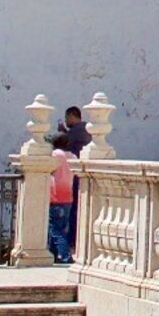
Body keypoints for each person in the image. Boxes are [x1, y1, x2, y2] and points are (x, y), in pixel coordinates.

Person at [48, 101, 91, 263]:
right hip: (68, 197)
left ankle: (65, 254)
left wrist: (62, 133)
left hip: (56, 196)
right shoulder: (72, 156)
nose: (66, 120)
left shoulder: (56, 155)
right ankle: (54, 254)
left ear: (73, 116)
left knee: (55, 228)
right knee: (61, 225)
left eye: (67, 117)